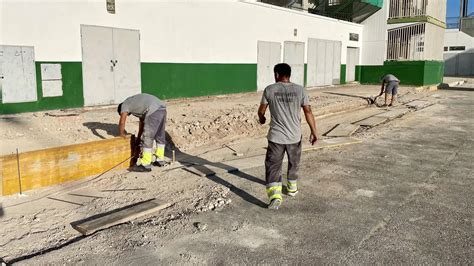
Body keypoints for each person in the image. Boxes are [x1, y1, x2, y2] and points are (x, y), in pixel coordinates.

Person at [257, 63, 318, 210]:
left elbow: (261, 111)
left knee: (273, 166)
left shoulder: (270, 89)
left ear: (277, 74)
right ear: (289, 74)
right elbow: (308, 112)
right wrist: (314, 132)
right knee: (294, 163)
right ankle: (291, 189)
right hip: (294, 136)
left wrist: (262, 119)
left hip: (276, 137)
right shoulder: (300, 90)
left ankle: (275, 196)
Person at [117, 93, 167, 172]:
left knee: (148, 137)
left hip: (152, 110)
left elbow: (122, 122)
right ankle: (160, 159)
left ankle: (145, 164)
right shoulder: (135, 104)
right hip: (161, 108)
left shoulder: (124, 105)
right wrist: (139, 138)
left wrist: (121, 134)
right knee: (160, 135)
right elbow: (142, 122)